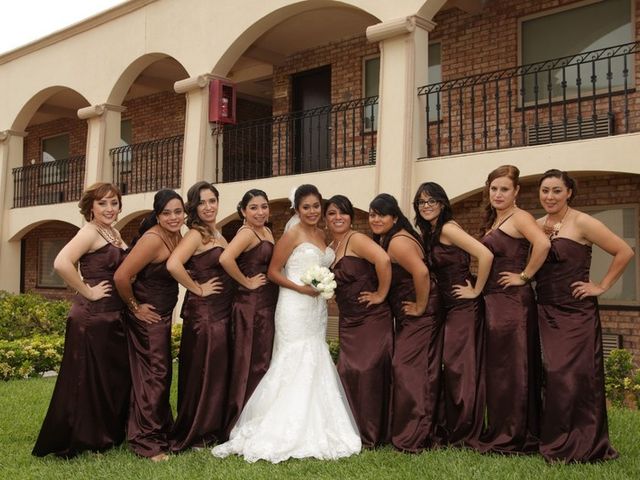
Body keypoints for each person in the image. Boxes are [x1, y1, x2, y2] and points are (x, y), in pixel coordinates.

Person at [212, 184, 361, 463]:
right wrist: (301, 288)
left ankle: (319, 421)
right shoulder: (292, 234)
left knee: (314, 356)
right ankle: (280, 425)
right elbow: (273, 271)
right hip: (294, 305)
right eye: (306, 207)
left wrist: (322, 287)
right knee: (294, 359)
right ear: (297, 209)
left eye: (317, 206)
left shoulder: (321, 233)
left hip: (316, 308)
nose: (313, 211)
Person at [535, 169, 632, 463]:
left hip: (576, 312)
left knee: (575, 376)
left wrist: (601, 286)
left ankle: (583, 442)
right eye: (545, 191)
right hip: (544, 309)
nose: (549, 196)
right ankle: (552, 436)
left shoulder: (582, 222)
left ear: (569, 193)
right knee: (550, 375)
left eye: (556, 191)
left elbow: (624, 251)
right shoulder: (537, 225)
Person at [32, 183, 129, 458]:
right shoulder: (88, 232)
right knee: (87, 379)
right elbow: (61, 262)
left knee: (107, 377)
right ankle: (86, 436)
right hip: (92, 316)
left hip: (112, 316)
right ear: (91, 208)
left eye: (114, 203)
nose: (110, 209)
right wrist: (87, 291)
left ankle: (106, 432)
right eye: (103, 204)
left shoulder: (112, 232)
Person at [413, 182, 493, 448]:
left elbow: (485, 254)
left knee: (461, 368)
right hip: (447, 307)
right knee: (452, 367)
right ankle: (453, 425)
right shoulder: (430, 231)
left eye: (431, 201)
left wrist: (476, 290)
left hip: (464, 306)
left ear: (443, 203)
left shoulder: (448, 228)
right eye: (421, 202)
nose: (426, 206)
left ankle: (466, 432)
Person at [478, 165, 550, 454]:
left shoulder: (520, 217)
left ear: (516, 191)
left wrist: (525, 275)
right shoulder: (497, 219)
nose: (498, 193)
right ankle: (501, 426)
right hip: (494, 302)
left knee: (514, 367)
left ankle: (516, 432)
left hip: (513, 303)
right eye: (494, 188)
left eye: (504, 189)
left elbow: (543, 244)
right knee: (499, 368)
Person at [369, 193, 443, 452]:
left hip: (421, 314)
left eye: (382, 214)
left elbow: (422, 272)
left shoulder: (398, 242)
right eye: (372, 214)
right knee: (417, 368)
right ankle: (418, 428)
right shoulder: (391, 237)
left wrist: (421, 306)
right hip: (410, 315)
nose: (376, 219)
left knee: (407, 368)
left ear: (395, 217)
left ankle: (415, 434)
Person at [114, 189, 184, 461]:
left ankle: (160, 429)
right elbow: (122, 276)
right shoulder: (153, 239)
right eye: (166, 213)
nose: (173, 217)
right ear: (157, 214)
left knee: (159, 373)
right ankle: (146, 440)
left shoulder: (177, 234)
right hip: (148, 317)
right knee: (156, 373)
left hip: (164, 315)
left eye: (178, 211)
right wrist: (135, 307)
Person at [166, 181, 233, 451]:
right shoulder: (195, 234)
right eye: (202, 202)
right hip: (205, 314)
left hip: (221, 311)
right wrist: (198, 288)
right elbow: (173, 264)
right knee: (204, 371)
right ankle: (198, 432)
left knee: (216, 371)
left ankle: (213, 427)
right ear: (194, 207)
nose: (209, 206)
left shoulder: (217, 233)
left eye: (212, 201)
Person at [325, 194, 393, 448]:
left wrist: (381, 294)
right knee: (347, 372)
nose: (338, 217)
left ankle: (373, 432)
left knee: (367, 371)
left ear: (351, 217)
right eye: (332, 213)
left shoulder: (357, 239)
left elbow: (383, 260)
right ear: (326, 219)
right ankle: (354, 428)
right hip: (349, 320)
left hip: (371, 318)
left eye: (342, 212)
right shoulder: (332, 247)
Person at [220, 189, 278, 436]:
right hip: (250, 306)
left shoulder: (266, 231)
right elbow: (225, 259)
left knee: (261, 361)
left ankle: (257, 414)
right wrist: (246, 281)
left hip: (266, 304)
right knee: (249, 362)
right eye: (253, 207)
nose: (260, 212)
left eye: (264, 206)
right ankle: (239, 419)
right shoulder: (246, 233)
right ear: (243, 211)